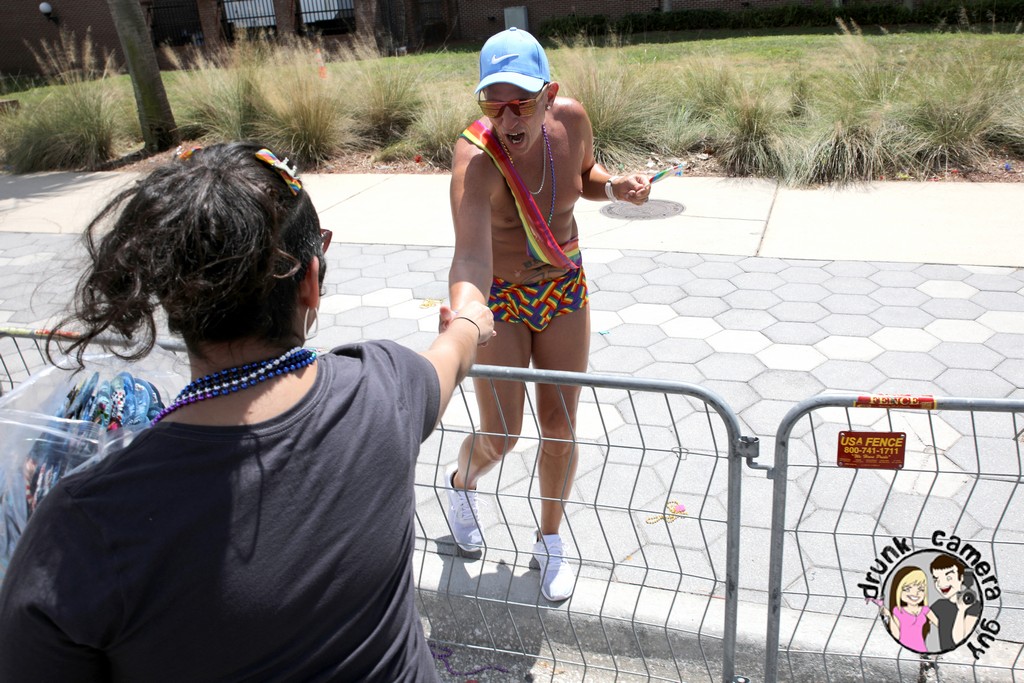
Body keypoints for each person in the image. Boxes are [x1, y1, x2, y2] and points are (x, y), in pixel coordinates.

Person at [0, 142, 494, 681]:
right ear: (310, 283)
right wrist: (470, 323)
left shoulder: (79, 530)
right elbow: (453, 354)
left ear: (172, 298)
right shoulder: (383, 386)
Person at [443, 27, 651, 602]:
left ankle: (550, 539)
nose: (508, 117)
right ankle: (462, 484)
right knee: (502, 434)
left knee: (560, 428)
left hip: (563, 290)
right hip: (503, 298)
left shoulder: (572, 121)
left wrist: (616, 187)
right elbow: (469, 256)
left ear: (549, 94)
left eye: (522, 102)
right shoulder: (475, 158)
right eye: (494, 104)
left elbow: (584, 176)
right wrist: (465, 313)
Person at [929, 553, 982, 652]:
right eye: (937, 579)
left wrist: (961, 610)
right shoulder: (939, 605)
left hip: (962, 655)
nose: (941, 584)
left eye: (948, 578)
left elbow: (958, 640)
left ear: (961, 578)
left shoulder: (973, 606)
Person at [884, 565, 938, 653]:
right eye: (907, 589)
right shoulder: (897, 611)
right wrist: (889, 616)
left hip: (921, 649)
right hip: (903, 650)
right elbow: (896, 635)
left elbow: (941, 625)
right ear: (898, 590)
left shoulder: (925, 610)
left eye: (921, 589)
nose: (915, 593)